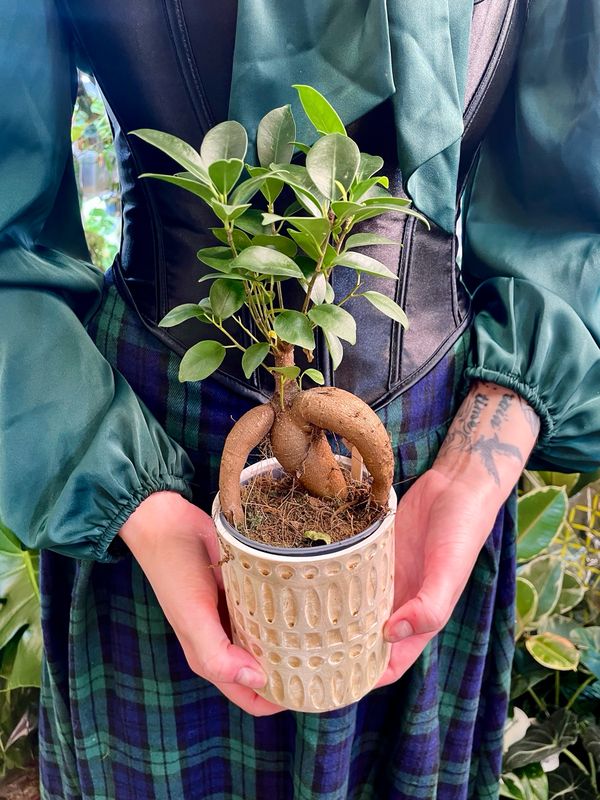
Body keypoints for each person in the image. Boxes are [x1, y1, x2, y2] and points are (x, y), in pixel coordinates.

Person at [1, 1, 599, 798]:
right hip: (142, 446)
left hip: (434, 456)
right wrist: (132, 503)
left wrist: (475, 467)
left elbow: (576, 216)